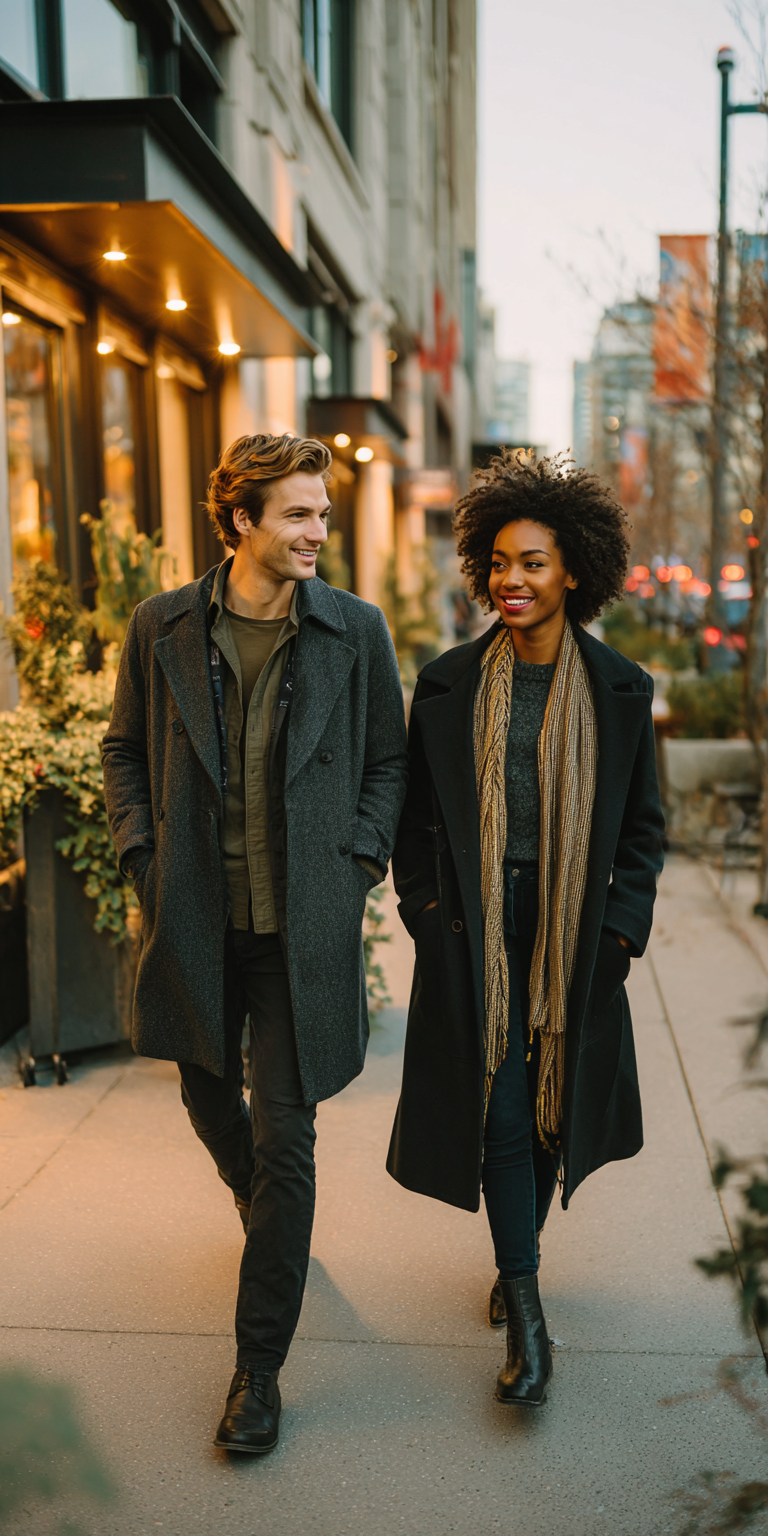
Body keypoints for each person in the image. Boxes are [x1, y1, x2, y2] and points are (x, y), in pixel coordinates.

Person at [102, 433, 407, 1453]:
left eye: (323, 513)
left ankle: (256, 1375)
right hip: (194, 914)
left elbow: (388, 763)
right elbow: (122, 750)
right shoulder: (163, 627)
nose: (319, 531)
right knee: (201, 1088)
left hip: (299, 927)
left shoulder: (353, 631)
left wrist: (357, 858)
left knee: (289, 1136)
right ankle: (265, 1212)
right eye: (299, 515)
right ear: (240, 521)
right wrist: (143, 854)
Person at [387, 451, 664, 1408]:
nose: (512, 579)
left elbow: (643, 832)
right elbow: (417, 819)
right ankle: (529, 1315)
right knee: (502, 1104)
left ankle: (515, 1258)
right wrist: (424, 914)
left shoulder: (623, 691)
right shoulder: (448, 685)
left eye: (534, 562)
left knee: (551, 1105)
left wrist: (622, 936)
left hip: (577, 932)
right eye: (500, 561)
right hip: (477, 928)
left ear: (575, 570)